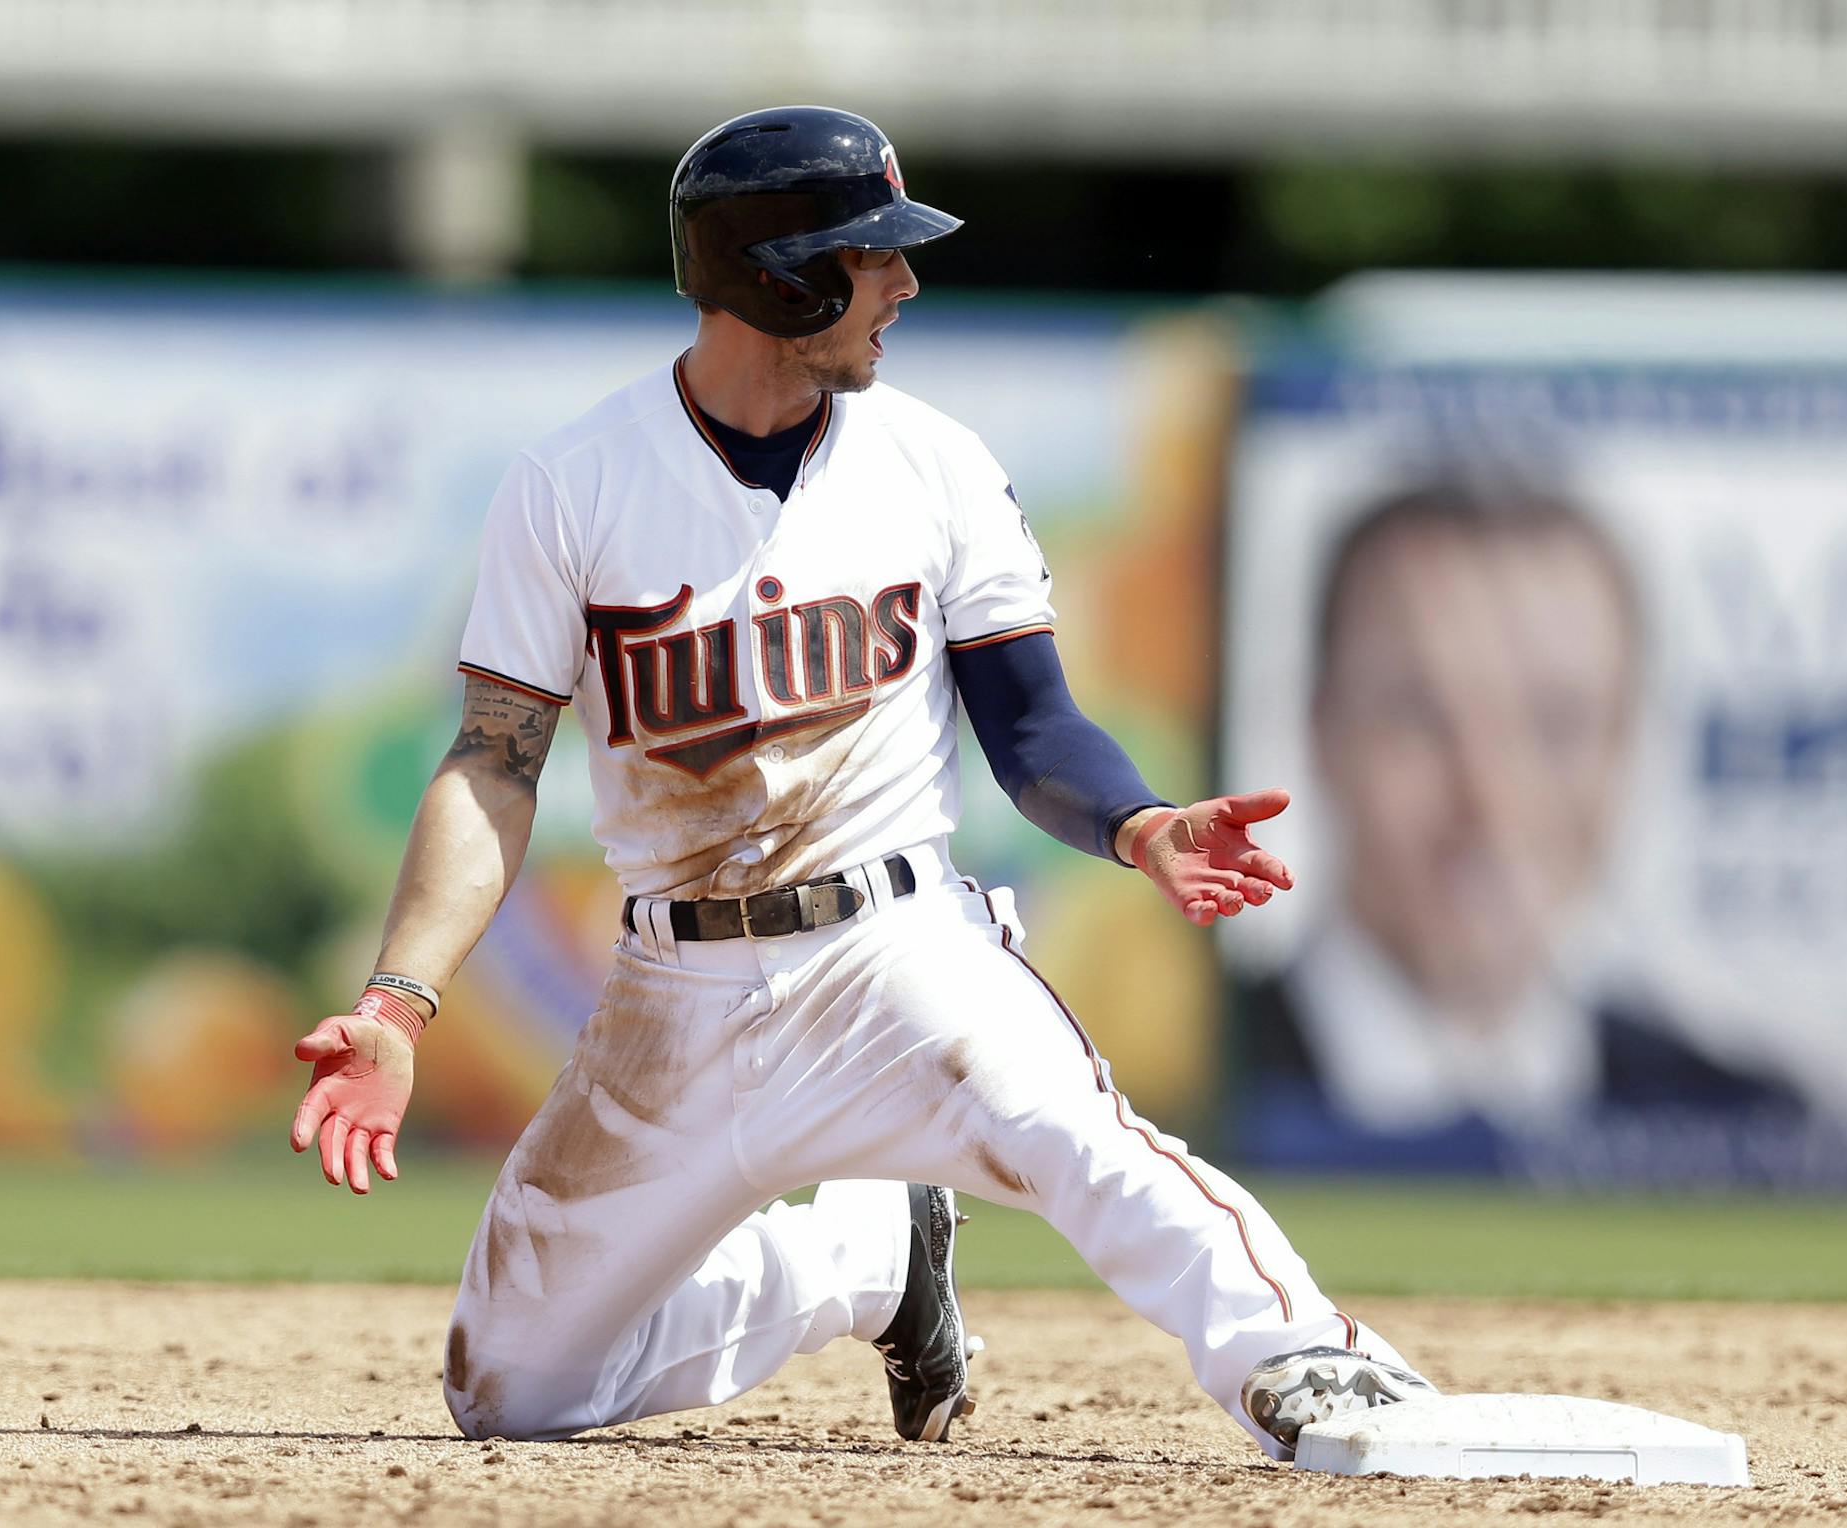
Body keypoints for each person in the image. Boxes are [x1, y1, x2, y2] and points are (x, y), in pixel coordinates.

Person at [286, 105, 1432, 1460]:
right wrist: (398, 1001)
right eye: (872, 255)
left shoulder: (929, 461)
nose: (903, 282)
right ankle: (865, 1261)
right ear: (782, 277)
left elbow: (1034, 725)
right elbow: (493, 769)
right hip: (676, 994)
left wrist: (1137, 822)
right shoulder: (575, 486)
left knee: (1080, 1137)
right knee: (511, 1393)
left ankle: (1308, 1358)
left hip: (896, 952)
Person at [1233, 478, 1800, 1171]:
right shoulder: (1156, 1091)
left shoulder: (1750, 1130)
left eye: (1556, 724)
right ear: (1320, 730)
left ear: (1625, 747)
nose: (1494, 801)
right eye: (1419, 715)